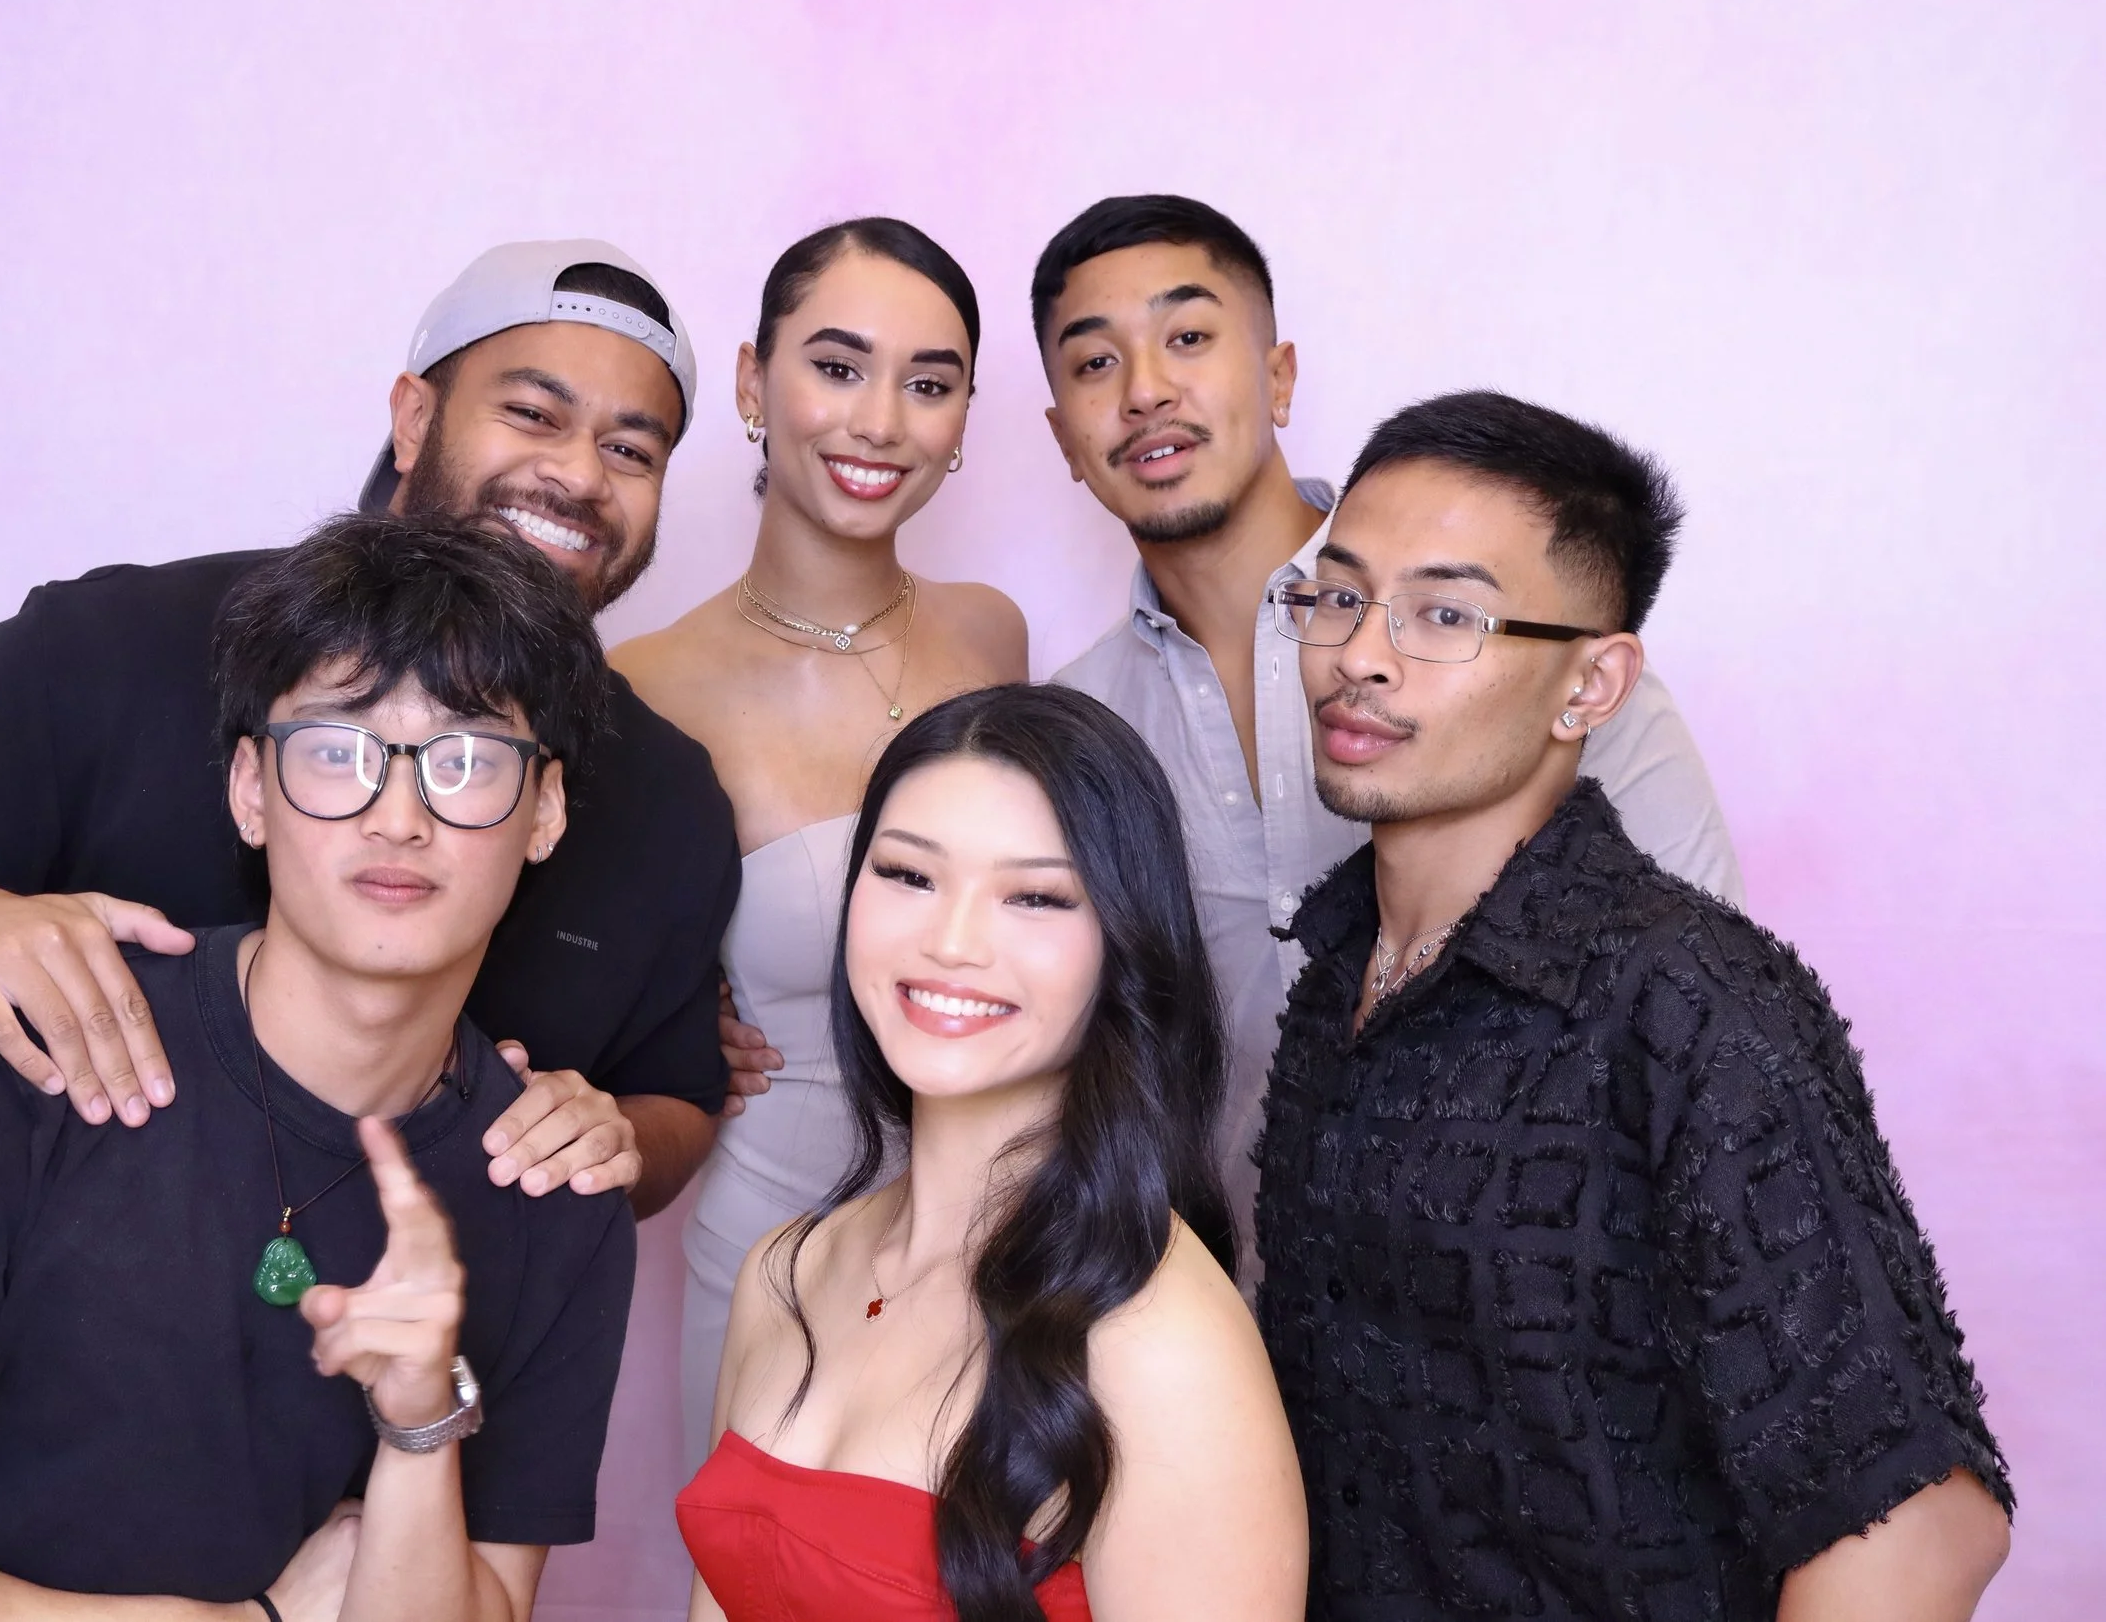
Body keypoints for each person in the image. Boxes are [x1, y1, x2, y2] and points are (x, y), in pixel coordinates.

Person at [0, 515, 638, 1620]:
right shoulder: (42, 1041)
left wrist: (416, 1428)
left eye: (464, 761)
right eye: (338, 752)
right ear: (249, 789)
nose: (399, 816)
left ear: (541, 811)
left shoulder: (551, 1189)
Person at [0, 239, 738, 1219]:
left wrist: (611, 1136)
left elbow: (675, 1094)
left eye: (629, 448)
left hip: (429, 1367)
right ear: (414, 416)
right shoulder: (114, 645)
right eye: (531, 412)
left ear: (543, 804)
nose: (578, 475)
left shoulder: (667, 795)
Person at [1254, 391, 2011, 1619]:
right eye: (1338, 594)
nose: (1360, 653)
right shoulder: (1336, 965)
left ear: (1591, 684)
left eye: (1444, 613)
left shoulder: (1690, 1002)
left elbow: (1919, 1524)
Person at [1036, 195, 1742, 1290]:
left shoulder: (1506, 643)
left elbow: (1711, 1011)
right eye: (1093, 363)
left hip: (1541, 1320)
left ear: (1277, 377)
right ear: (1061, 439)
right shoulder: (1074, 723)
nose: (1145, 391)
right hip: (1227, 1329)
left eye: (1187, 336)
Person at [678, 684, 1309, 1621]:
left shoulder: (1162, 1342)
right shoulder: (787, 1270)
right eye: (908, 875)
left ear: (1124, 945)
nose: (952, 941)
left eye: (1037, 895)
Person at [613, 218, 1027, 1455]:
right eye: (837, 366)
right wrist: (681, 1036)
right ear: (752, 380)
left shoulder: (995, 636)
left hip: (1007, 1216)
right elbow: (592, 984)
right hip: (781, 1218)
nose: (880, 421)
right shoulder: (644, 684)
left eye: (929, 382)